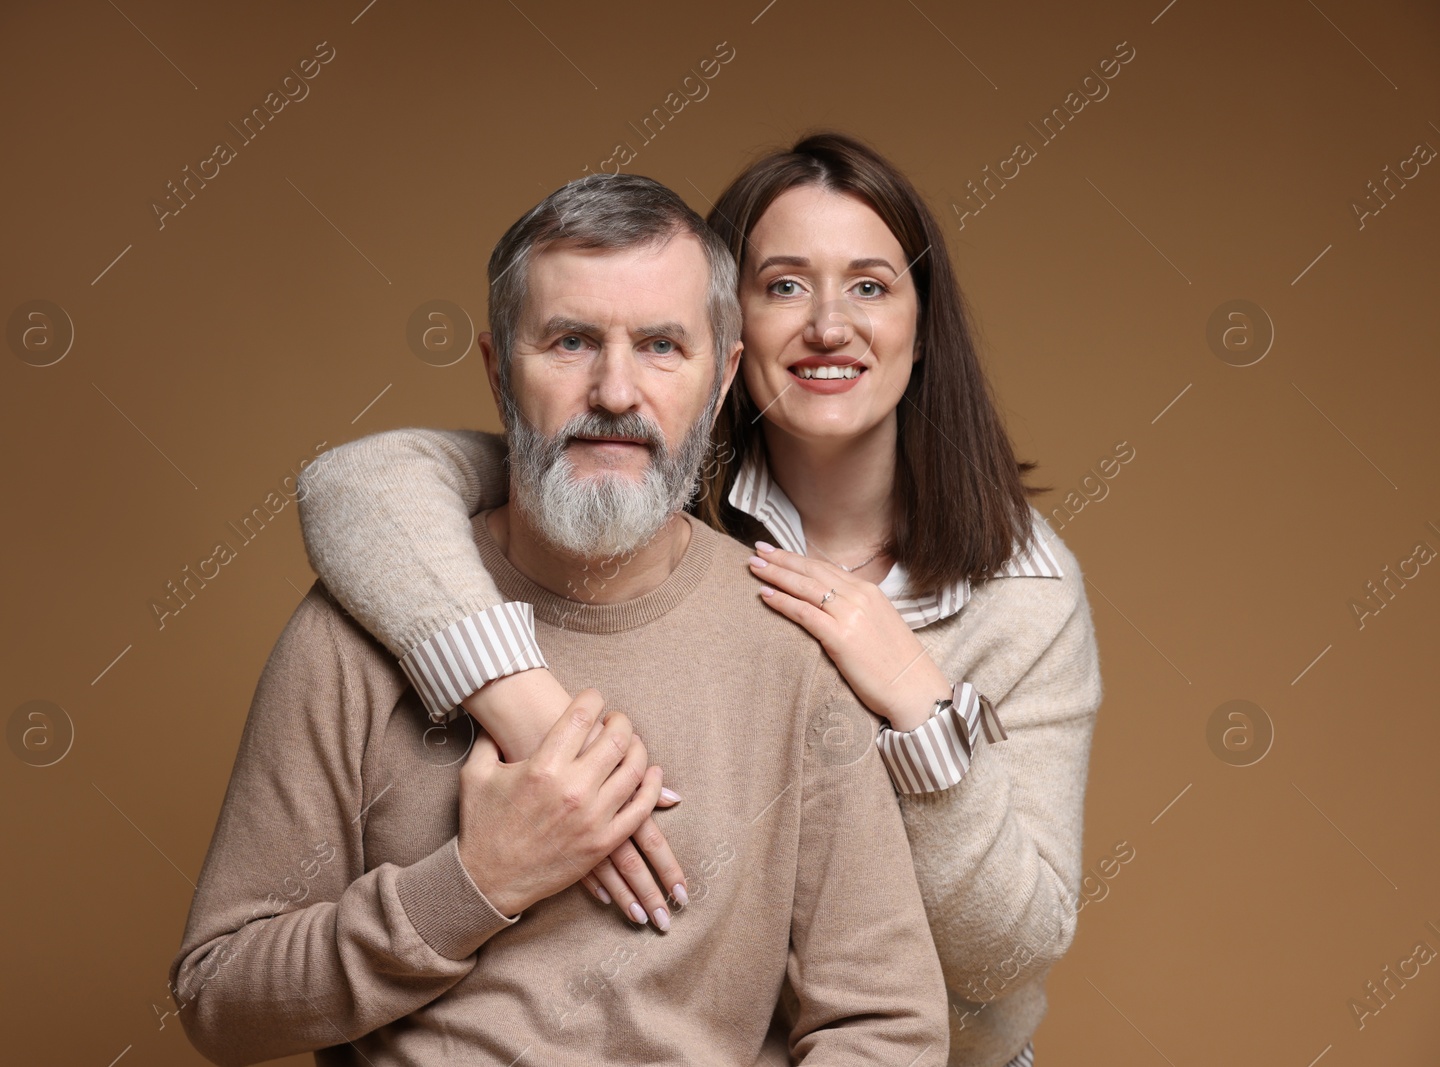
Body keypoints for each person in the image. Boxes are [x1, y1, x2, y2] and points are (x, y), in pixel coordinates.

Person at [296, 132, 1104, 1067]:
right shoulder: (619, 480)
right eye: (785, 285)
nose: (830, 325)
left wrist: (918, 702)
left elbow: (1008, 951)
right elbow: (358, 488)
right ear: (728, 333)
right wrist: (533, 712)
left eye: (872, 285)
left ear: (924, 330)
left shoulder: (1022, 591)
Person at [169, 172, 949, 1065]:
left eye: (661, 346)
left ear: (722, 376)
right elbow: (218, 995)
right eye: (571, 341)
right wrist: (474, 884)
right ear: (500, 369)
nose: (615, 391)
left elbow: (885, 1023)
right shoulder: (354, 633)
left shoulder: (790, 651)